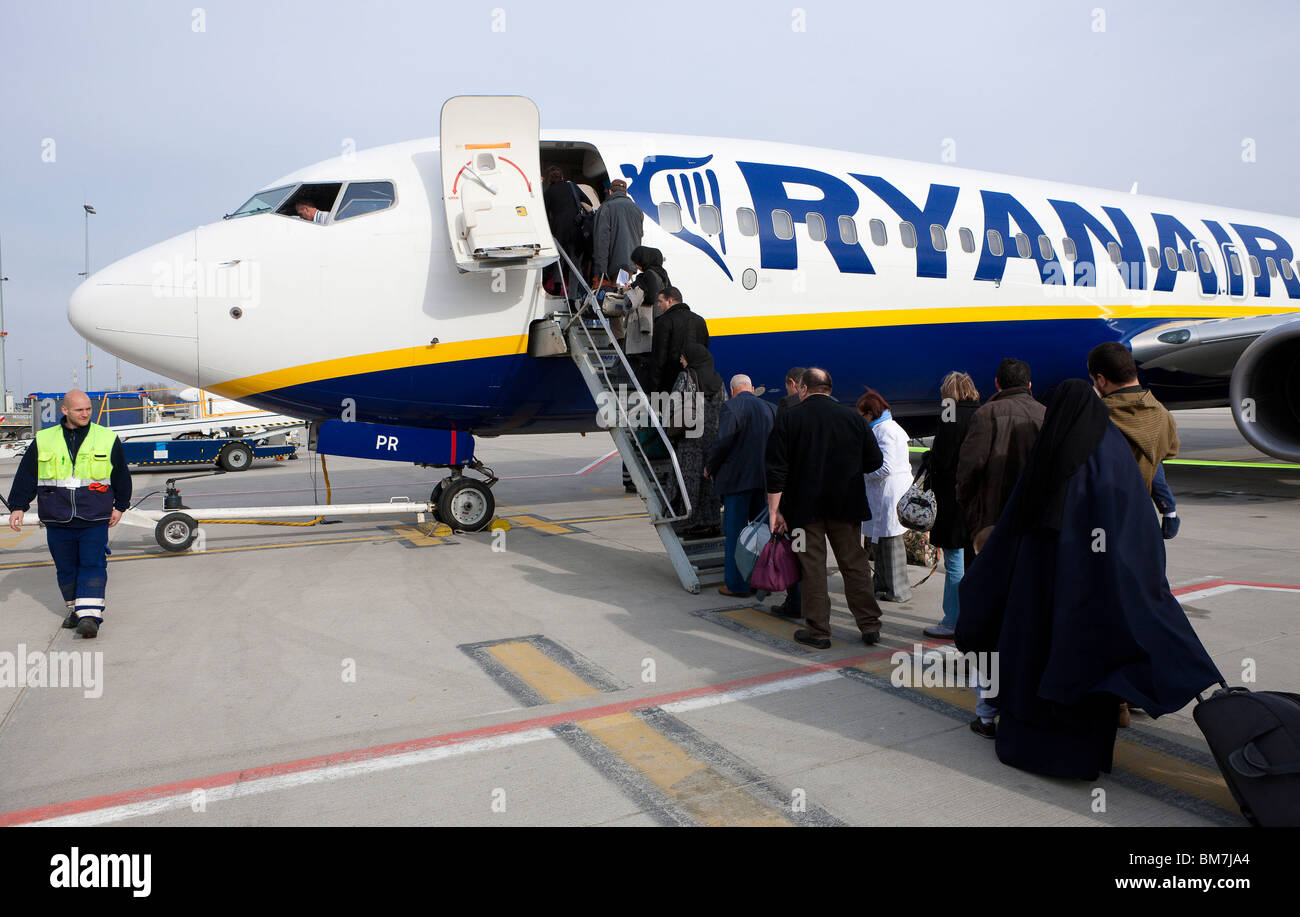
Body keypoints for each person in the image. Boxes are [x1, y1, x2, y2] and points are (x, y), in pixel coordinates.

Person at [954, 379, 1223, 779]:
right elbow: (1138, 528)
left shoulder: (1050, 458)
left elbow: (1014, 528)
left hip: (1041, 592)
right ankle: (1089, 756)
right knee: (1088, 669)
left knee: (1038, 666)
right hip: (1098, 591)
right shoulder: (1113, 452)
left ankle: (1041, 750)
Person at [766, 368, 885, 649]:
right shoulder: (853, 418)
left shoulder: (789, 418)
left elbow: (776, 469)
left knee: (813, 569)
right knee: (854, 565)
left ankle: (819, 632)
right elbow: (875, 461)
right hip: (846, 507)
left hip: (804, 511)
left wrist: (775, 511)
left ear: (803, 389)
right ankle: (869, 625)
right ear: (830, 389)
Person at [6, 390, 132, 638]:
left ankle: (90, 617)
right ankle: (75, 609)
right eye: (79, 410)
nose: (85, 414)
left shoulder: (106, 438)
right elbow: (27, 475)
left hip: (94, 515)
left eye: (88, 409)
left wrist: (120, 505)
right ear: (65, 411)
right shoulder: (44, 439)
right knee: (65, 568)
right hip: (57, 515)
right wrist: (18, 506)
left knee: (92, 563)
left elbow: (121, 475)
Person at [1087, 341, 1181, 538]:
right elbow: (1168, 454)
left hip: (1102, 520)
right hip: (1142, 519)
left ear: (1101, 380)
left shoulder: (1096, 418)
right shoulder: (1163, 415)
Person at [956, 357, 1045, 553]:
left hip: (991, 515)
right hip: (1032, 514)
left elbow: (969, 466)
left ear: (997, 383)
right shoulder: (1045, 414)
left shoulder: (986, 413)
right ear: (1029, 384)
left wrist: (968, 504)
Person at [922, 372, 981, 638]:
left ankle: (952, 620)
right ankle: (973, 615)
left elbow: (943, 458)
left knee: (954, 559)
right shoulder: (982, 412)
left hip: (953, 498)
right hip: (978, 499)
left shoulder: (950, 412)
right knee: (973, 558)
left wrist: (930, 457)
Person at [707, 374, 777, 597]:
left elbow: (722, 442)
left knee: (736, 533)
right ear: (752, 388)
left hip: (737, 482)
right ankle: (762, 580)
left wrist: (710, 467)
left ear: (732, 389)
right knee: (762, 533)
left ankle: (737, 585)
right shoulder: (770, 408)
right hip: (764, 481)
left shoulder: (731, 407)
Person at [856, 389, 913, 603]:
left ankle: (898, 590)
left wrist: (863, 472)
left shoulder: (885, 431)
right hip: (884, 494)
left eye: (863, 414)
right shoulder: (884, 428)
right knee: (878, 542)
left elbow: (886, 467)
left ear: (871, 413)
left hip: (888, 493)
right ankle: (882, 583)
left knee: (890, 543)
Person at [667, 343, 724, 537]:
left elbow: (674, 403)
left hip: (691, 438)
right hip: (712, 438)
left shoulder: (686, 377)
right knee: (709, 481)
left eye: (683, 357)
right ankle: (713, 522)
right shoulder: (718, 381)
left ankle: (691, 522)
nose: (681, 361)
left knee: (690, 479)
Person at [769, 367, 807, 617]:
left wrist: (776, 507)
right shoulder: (835, 405)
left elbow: (778, 457)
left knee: (797, 553)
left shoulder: (788, 405)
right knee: (814, 556)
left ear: (793, 384)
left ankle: (796, 604)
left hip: (796, 497)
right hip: (825, 499)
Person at [650, 287, 709, 394]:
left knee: (669, 411)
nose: (658, 305)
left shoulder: (663, 322)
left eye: (660, 301)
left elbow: (659, 357)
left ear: (670, 301)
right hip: (697, 382)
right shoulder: (700, 320)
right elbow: (705, 347)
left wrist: (654, 387)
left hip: (670, 384)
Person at [591, 178, 643, 284]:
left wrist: (601, 268)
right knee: (622, 293)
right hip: (631, 263)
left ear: (610, 192)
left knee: (615, 297)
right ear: (626, 192)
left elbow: (602, 239)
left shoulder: (606, 207)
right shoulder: (637, 209)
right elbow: (640, 234)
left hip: (615, 264)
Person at [542, 166, 585, 292]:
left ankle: (557, 288)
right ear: (562, 176)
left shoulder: (549, 192)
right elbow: (587, 201)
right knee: (575, 263)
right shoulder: (572, 186)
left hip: (558, 230)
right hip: (576, 229)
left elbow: (543, 212)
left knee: (558, 260)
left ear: (549, 179)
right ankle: (576, 292)